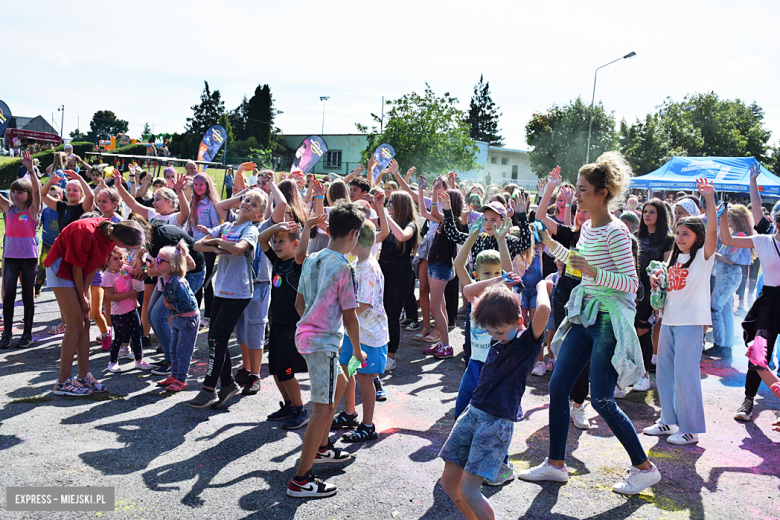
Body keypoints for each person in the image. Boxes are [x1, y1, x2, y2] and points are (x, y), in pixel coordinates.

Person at [521, 152, 661, 495]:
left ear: (603, 192)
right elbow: (576, 262)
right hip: (586, 314)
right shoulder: (590, 227)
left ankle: (645, 468)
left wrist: (593, 272)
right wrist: (550, 245)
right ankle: (555, 464)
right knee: (558, 387)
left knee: (601, 400)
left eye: (583, 189)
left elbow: (632, 284)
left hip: (608, 320)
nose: (576, 194)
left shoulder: (615, 231)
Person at [439, 281, 549, 520]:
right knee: (449, 484)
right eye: (490, 332)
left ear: (519, 322)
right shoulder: (497, 337)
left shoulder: (525, 345)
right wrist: (501, 283)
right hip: (473, 413)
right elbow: (470, 292)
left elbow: (543, 311)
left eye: (499, 332)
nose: (494, 336)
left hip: (496, 422)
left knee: (469, 491)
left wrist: (542, 285)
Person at [286, 202, 367, 498]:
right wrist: (357, 350)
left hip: (307, 337)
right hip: (323, 343)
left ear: (329, 230)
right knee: (321, 408)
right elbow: (350, 315)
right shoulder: (344, 267)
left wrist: (309, 324)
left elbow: (298, 303)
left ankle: (321, 449)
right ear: (354, 234)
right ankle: (301, 479)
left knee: (340, 384)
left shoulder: (312, 258)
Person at [643, 179, 717, 445]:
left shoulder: (703, 256)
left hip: (691, 323)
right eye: (678, 233)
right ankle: (668, 421)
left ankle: (690, 429)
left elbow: (712, 233)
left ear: (697, 236)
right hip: (670, 321)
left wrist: (708, 199)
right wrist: (658, 288)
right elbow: (669, 288)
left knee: (686, 376)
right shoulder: (674, 257)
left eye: (686, 233)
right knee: (664, 373)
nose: (680, 237)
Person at [46, 218, 146, 396]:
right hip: (60, 268)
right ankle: (62, 382)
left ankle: (84, 376)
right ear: (121, 242)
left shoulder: (111, 237)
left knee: (85, 321)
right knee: (76, 324)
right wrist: (82, 297)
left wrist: (84, 295)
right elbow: (76, 269)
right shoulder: (86, 233)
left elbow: (91, 267)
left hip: (78, 272)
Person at [187, 190, 264, 409]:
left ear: (259, 216)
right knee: (215, 339)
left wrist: (220, 243)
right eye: (247, 200)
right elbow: (197, 245)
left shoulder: (251, 230)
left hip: (239, 293)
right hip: (221, 289)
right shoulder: (227, 227)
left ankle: (209, 389)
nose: (248, 203)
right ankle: (228, 385)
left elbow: (239, 250)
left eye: (255, 204)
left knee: (217, 339)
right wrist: (220, 246)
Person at [719, 175, 780, 421]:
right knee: (759, 353)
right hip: (769, 301)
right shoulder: (763, 240)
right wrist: (722, 217)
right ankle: (748, 399)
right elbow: (728, 240)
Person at [332, 220, 389, 442]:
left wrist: (341, 313)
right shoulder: (358, 263)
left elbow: (363, 304)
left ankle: (368, 425)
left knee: (366, 378)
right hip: (354, 331)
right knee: (345, 369)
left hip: (370, 335)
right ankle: (349, 413)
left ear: (357, 240)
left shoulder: (369, 269)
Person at [257, 219, 309, 427]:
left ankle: (300, 410)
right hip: (276, 323)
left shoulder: (296, 264)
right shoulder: (276, 262)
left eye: (281, 242)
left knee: (287, 371)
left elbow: (303, 250)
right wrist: (277, 228)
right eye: (276, 242)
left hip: (291, 326)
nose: (276, 245)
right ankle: (288, 405)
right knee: (277, 371)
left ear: (294, 245)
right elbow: (262, 239)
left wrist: (305, 229)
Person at [371, 190, 418, 371]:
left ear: (399, 206)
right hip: (383, 269)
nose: (388, 206)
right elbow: (364, 222)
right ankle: (378, 350)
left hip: (401, 272)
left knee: (392, 315)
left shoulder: (410, 224)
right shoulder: (387, 219)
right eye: (387, 203)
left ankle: (391, 356)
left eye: (391, 203)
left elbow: (402, 236)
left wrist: (383, 212)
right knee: (378, 312)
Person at [0, 151, 41, 348]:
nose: (16, 195)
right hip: (10, 257)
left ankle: (27, 334)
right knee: (8, 295)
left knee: (27, 296)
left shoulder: (31, 211)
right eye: (13, 192)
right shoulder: (8, 209)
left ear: (27, 195)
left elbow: (37, 193)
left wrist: (31, 170)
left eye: (20, 192)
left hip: (29, 259)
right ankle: (6, 334)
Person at [634, 198, 675, 390]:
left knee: (643, 330)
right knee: (630, 331)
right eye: (645, 212)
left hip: (652, 290)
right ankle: (631, 373)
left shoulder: (668, 239)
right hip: (632, 288)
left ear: (660, 215)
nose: (647, 215)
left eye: (652, 212)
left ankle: (644, 375)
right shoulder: (636, 236)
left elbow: (668, 268)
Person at [706, 204, 754, 358]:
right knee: (725, 311)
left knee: (715, 308)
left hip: (729, 276)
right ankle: (726, 346)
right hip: (728, 276)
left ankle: (720, 345)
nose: (724, 220)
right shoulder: (739, 235)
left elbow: (729, 260)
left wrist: (711, 252)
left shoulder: (739, 235)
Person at [154, 241, 200, 392]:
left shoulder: (178, 283)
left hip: (188, 319)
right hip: (180, 317)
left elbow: (187, 303)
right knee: (173, 349)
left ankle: (181, 379)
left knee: (183, 351)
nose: (156, 261)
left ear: (172, 266)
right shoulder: (163, 279)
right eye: (156, 258)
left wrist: (170, 306)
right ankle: (174, 375)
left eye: (160, 260)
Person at [102, 247, 151, 373]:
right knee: (119, 337)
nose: (120, 261)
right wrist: (129, 295)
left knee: (136, 335)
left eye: (121, 258)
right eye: (115, 259)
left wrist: (140, 258)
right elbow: (111, 296)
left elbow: (139, 272)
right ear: (107, 261)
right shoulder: (107, 276)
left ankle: (139, 360)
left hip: (132, 309)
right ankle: (113, 362)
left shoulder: (125, 269)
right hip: (118, 313)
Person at [187, 173, 221, 329]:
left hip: (207, 247)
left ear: (207, 186)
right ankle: (195, 313)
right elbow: (189, 226)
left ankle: (208, 315)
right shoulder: (192, 202)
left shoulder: (211, 204)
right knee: (195, 281)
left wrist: (207, 231)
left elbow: (216, 228)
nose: (198, 187)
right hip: (193, 246)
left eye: (201, 185)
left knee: (206, 281)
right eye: (196, 184)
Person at [36, 185, 61, 298]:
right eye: (50, 196)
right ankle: (37, 288)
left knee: (61, 268)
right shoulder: (45, 211)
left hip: (61, 245)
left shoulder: (63, 210)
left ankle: (63, 290)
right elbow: (39, 225)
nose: (53, 198)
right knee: (42, 266)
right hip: (47, 245)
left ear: (61, 196)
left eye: (56, 195)